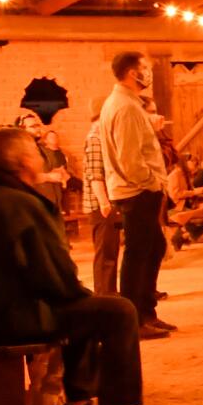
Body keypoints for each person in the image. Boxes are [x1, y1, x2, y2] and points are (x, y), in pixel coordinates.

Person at [0, 127, 163, 405]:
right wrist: (81, 296)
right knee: (117, 311)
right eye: (35, 153)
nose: (41, 160)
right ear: (22, 162)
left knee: (84, 308)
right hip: (9, 320)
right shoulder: (23, 205)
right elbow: (56, 281)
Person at [101, 51, 175, 336]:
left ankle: (146, 311)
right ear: (133, 73)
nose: (149, 73)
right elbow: (130, 158)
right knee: (138, 253)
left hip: (138, 188)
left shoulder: (127, 104)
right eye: (145, 68)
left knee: (152, 247)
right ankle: (134, 318)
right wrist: (152, 182)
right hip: (138, 190)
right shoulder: (126, 107)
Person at [77, 100, 121, 297]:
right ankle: (104, 295)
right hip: (101, 205)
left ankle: (109, 292)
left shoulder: (103, 136)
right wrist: (104, 202)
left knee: (111, 252)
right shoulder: (95, 138)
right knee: (105, 255)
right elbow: (95, 174)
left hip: (108, 203)